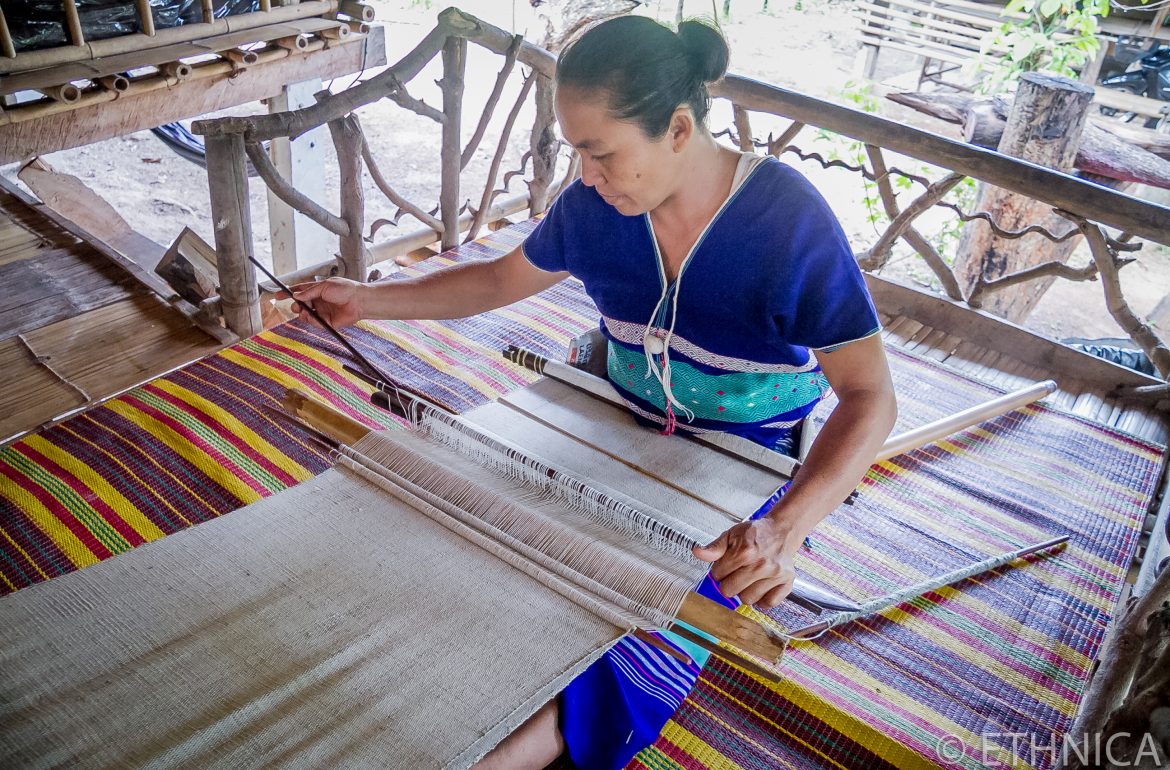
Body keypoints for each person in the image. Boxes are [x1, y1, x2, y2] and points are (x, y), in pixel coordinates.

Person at [286, 14, 897, 770]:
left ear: (678, 128)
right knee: (471, 528)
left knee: (659, 606)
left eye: (601, 152)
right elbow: (497, 278)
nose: (586, 175)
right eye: (577, 152)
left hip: (748, 456)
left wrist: (786, 528)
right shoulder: (595, 209)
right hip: (609, 413)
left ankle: (500, 755)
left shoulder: (787, 224)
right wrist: (367, 301)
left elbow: (870, 397)